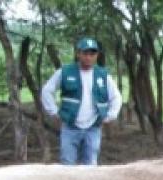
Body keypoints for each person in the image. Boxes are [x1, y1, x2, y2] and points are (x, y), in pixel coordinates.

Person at [41, 37, 122, 166]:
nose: (88, 57)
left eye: (92, 54)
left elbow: (116, 96)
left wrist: (111, 115)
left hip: (93, 127)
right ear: (78, 54)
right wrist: (54, 111)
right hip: (70, 126)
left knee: (90, 166)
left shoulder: (103, 75)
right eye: (85, 53)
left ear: (97, 55)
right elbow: (47, 91)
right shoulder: (65, 72)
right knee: (67, 164)